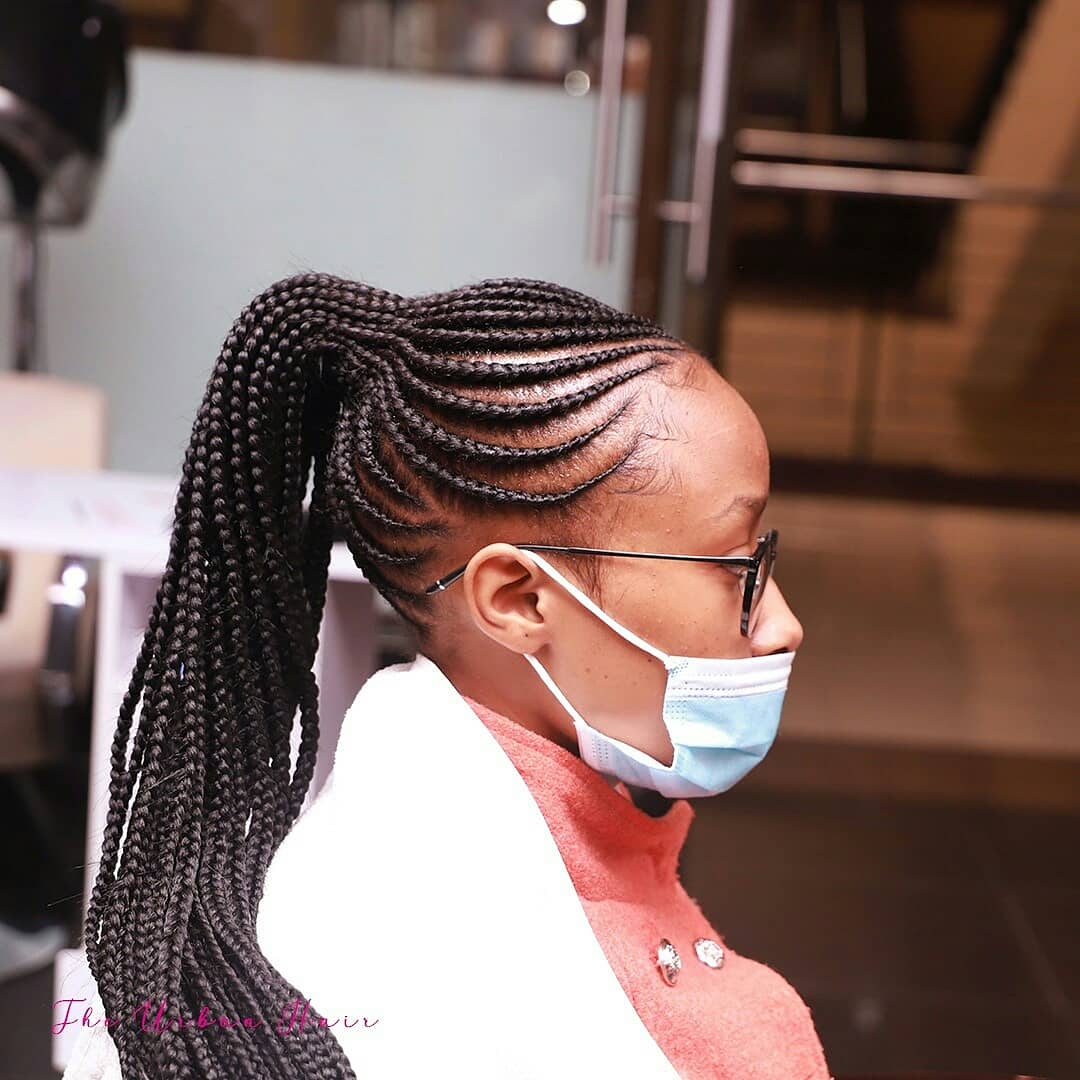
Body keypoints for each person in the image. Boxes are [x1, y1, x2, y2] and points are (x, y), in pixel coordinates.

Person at [61, 273, 832, 1079]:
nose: (783, 624)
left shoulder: (525, 839)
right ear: (518, 599)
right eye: (738, 569)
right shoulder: (393, 964)